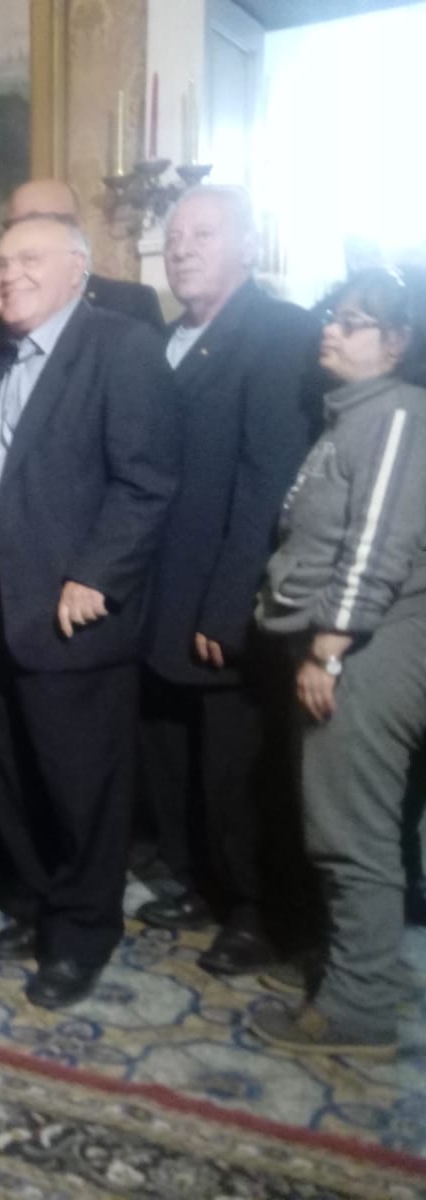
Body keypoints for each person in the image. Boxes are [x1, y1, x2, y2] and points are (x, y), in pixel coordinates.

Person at [0, 214, 179, 1009]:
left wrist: (97, 574)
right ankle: (40, 905)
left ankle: (84, 934)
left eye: (29, 259)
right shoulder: (0, 355)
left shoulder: (120, 347)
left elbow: (147, 480)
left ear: (79, 270)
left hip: (71, 608)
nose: (7, 273)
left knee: (80, 782)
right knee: (14, 768)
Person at [137, 187, 324, 974]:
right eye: (174, 237)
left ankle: (257, 909)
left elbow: (266, 482)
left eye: (203, 235)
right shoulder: (165, 338)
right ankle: (196, 881)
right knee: (171, 753)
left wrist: (227, 601)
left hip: (226, 595)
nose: (182, 249)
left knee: (235, 767)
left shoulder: (279, 332)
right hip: (156, 593)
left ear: (248, 246)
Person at [250, 266, 426, 1062]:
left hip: (366, 650)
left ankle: (358, 1012)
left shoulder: (393, 416)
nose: (333, 328)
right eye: (333, 315)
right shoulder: (349, 417)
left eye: (355, 322)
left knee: (351, 832)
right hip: (342, 643)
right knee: (337, 823)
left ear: (395, 345)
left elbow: (379, 545)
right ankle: (358, 974)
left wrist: (328, 648)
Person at [0, 180, 165, 343]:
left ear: (76, 227)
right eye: (16, 225)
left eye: (41, 221)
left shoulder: (129, 304)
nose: (25, 233)